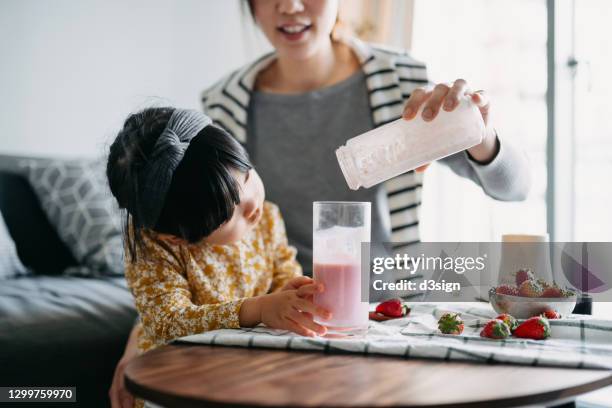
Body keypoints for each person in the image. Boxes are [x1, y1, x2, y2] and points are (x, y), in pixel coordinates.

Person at [110, 1, 531, 406]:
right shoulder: (225, 103)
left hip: (392, 303)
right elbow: (173, 226)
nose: (289, 6)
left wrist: (481, 135)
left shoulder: (400, 79)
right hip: (293, 323)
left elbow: (516, 188)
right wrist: (141, 344)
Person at [107, 107, 331, 408]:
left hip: (242, 366)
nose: (253, 205)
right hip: (176, 379)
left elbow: (283, 277)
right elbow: (166, 323)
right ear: (177, 237)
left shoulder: (267, 218)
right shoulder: (155, 247)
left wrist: (293, 294)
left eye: (248, 175)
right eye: (229, 213)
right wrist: (259, 309)